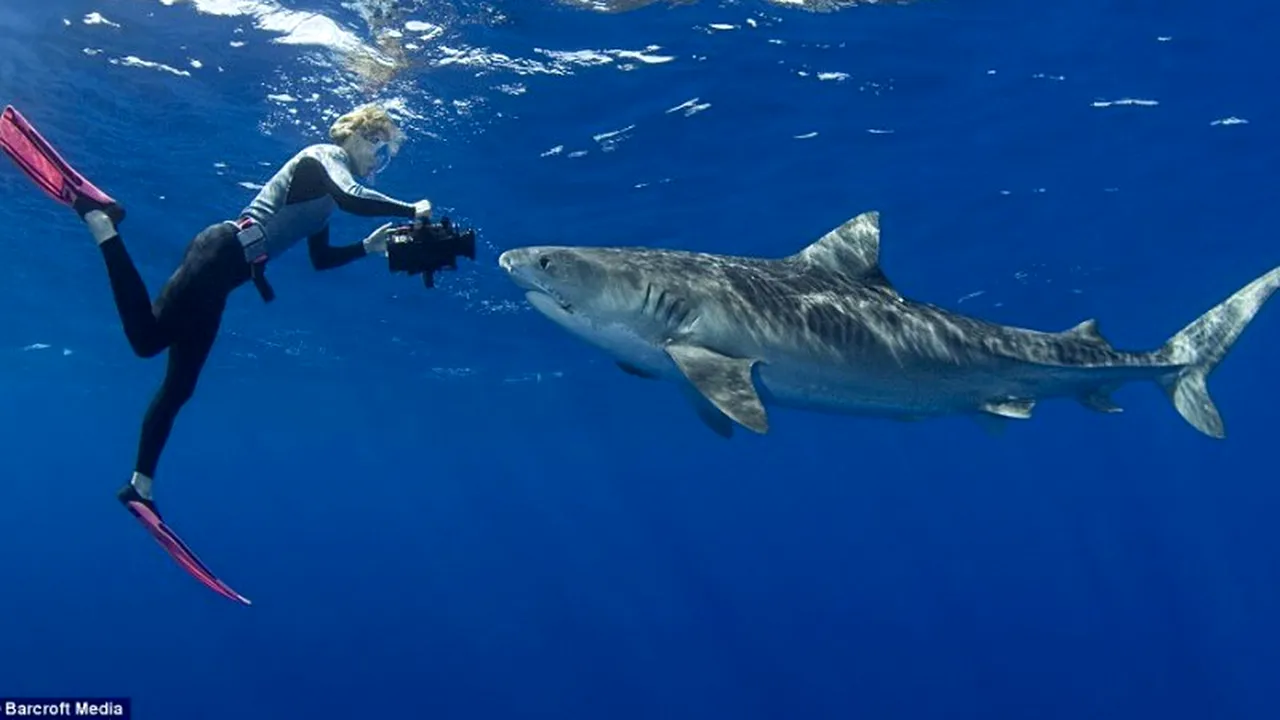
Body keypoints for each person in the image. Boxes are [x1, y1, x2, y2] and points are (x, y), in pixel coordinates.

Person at [70, 103, 431, 515]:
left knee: (180, 387)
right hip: (219, 251)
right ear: (354, 135)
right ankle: (103, 224)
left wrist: (368, 247)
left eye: (385, 158)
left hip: (226, 278)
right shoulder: (323, 157)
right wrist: (410, 208)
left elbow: (322, 258)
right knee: (146, 341)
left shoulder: (329, 198)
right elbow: (354, 198)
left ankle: (140, 487)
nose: (378, 163)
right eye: (378, 149)